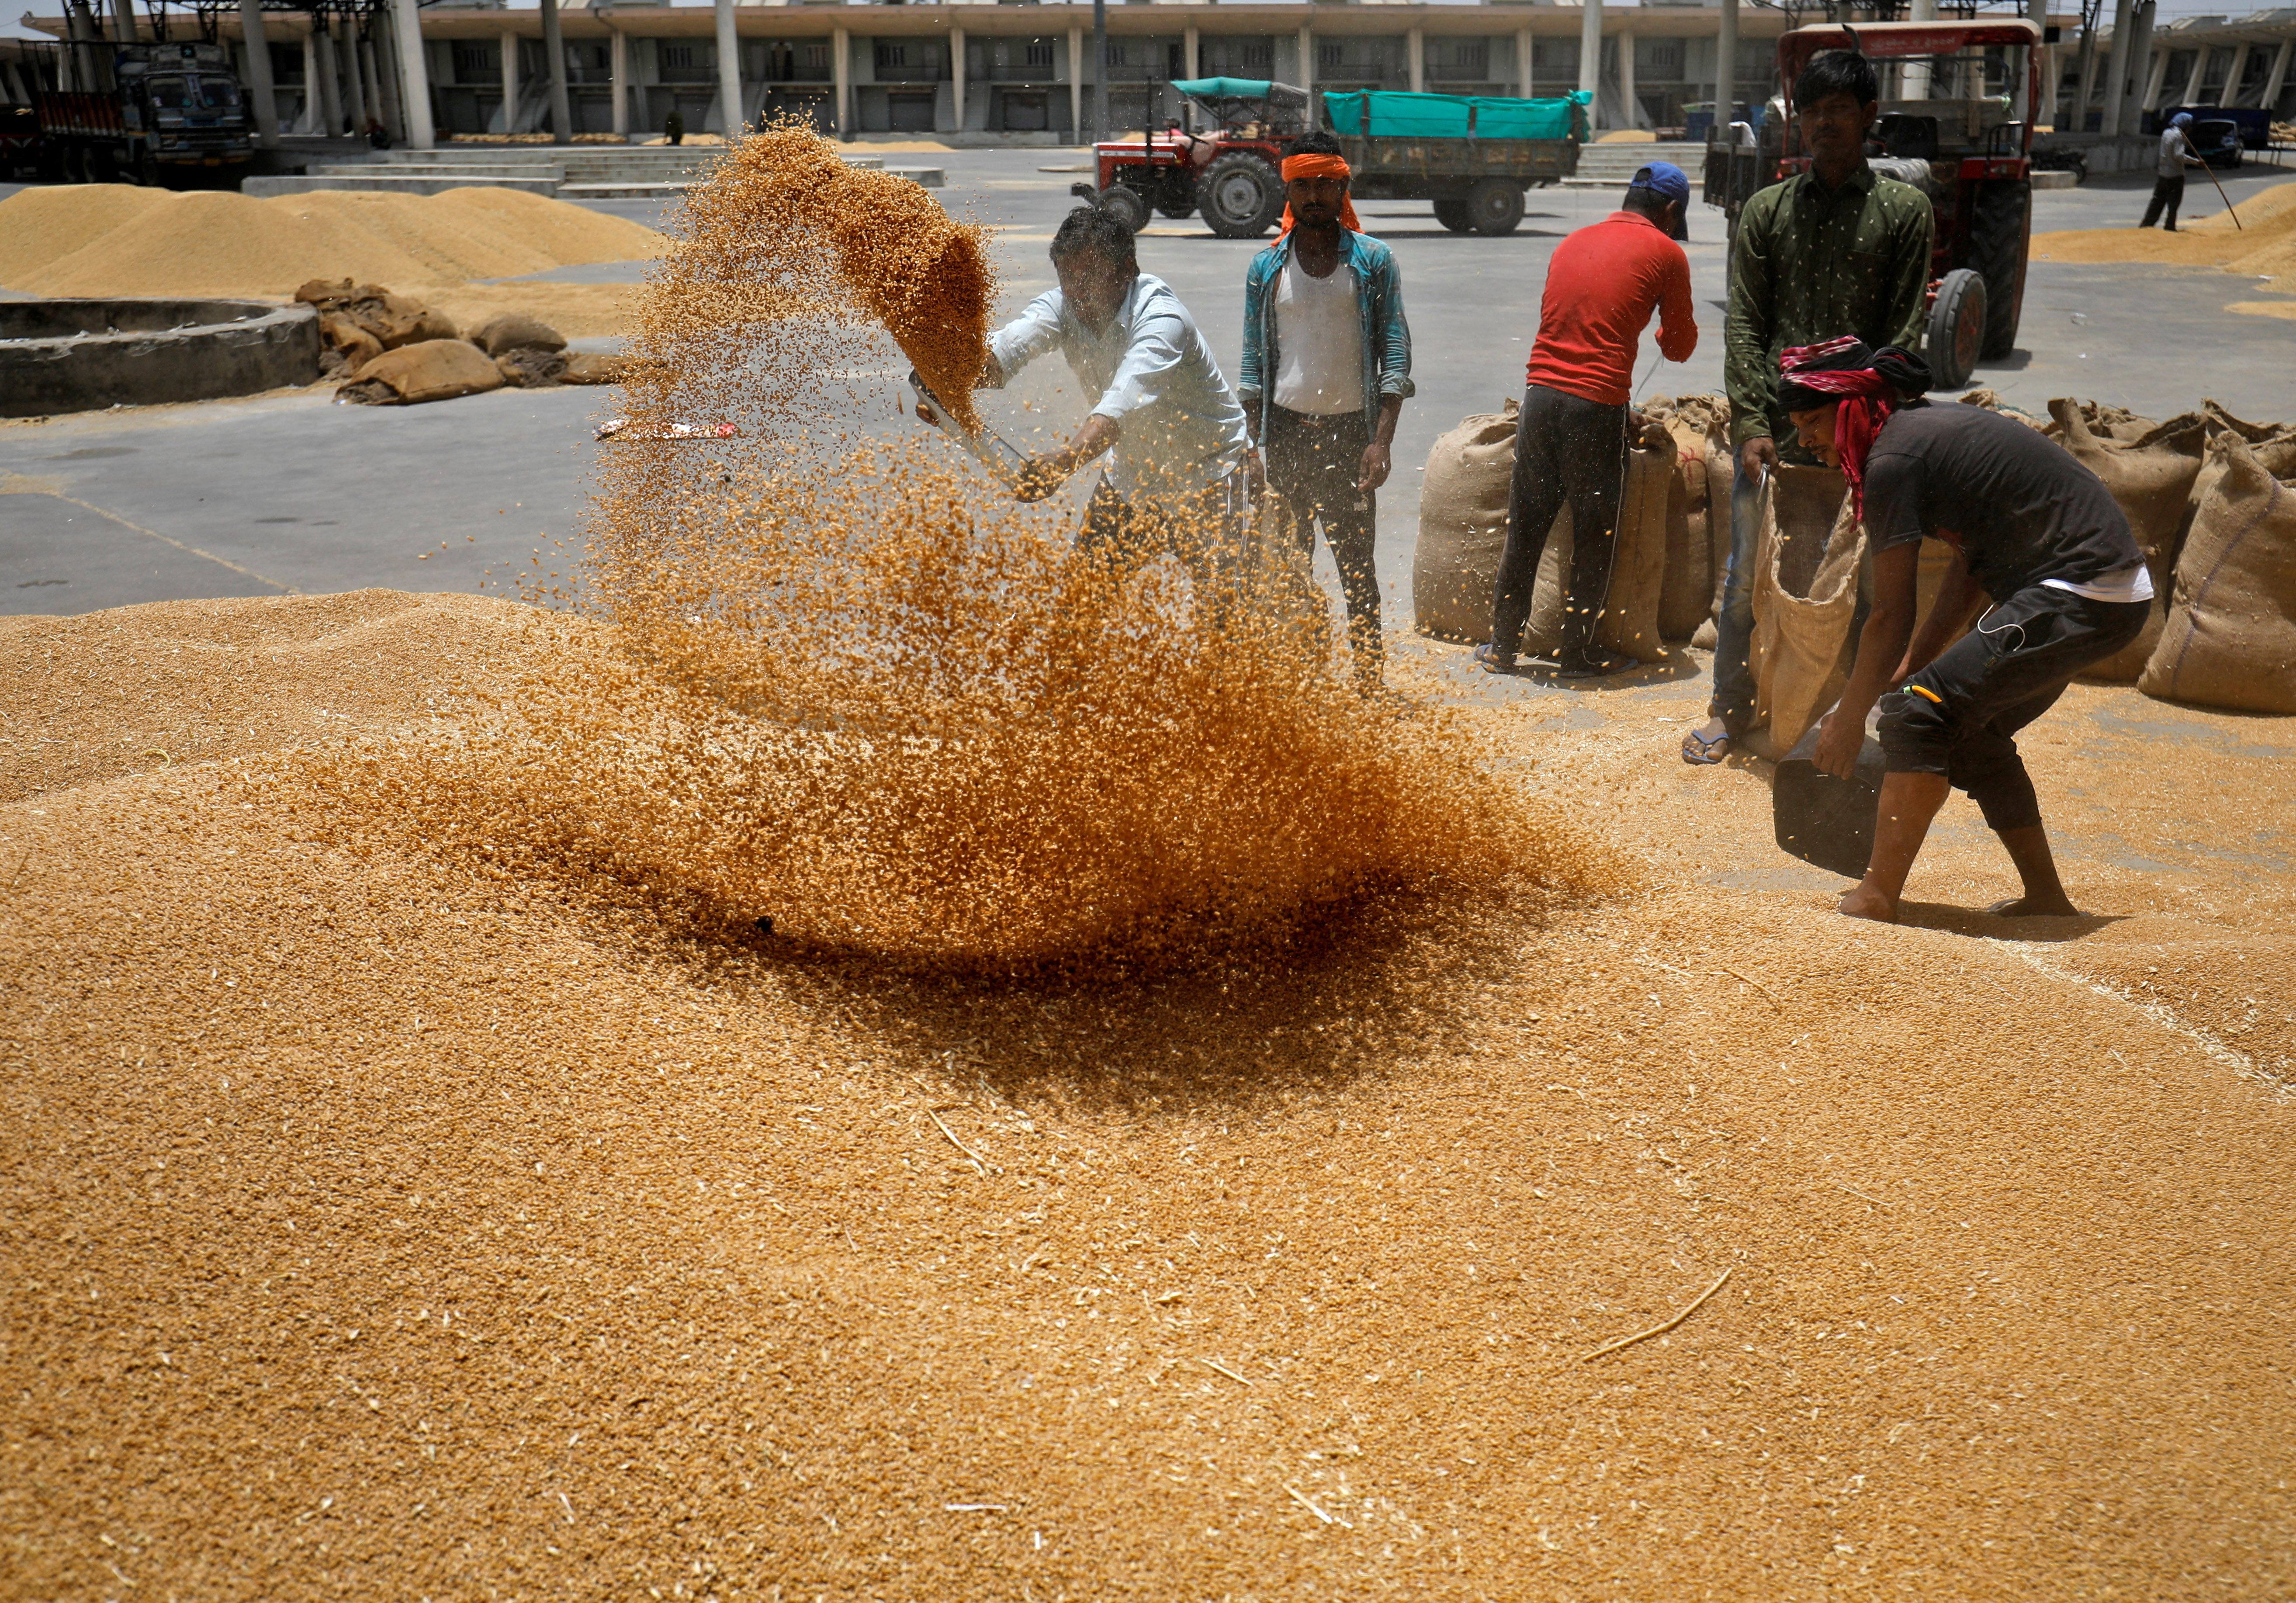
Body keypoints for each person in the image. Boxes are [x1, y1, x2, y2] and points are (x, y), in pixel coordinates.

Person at [1782, 337, 2150, 924]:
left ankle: (1876, 894)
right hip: (2094, 594)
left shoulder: (1893, 460)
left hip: (2079, 589)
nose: (1802, 439)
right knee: (1967, 733)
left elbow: (1888, 613)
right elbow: (1968, 569)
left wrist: (1850, 719)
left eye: (1811, 421)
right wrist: (1913, 666)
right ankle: (2046, 901)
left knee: (1916, 713)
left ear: (1852, 408)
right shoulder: (1916, 438)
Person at [1683, 49, 1935, 762]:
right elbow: (1746, 325)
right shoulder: (1767, 211)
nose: (1824, 124)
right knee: (1742, 582)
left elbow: (1903, 334)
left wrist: (1860, 427)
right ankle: (1730, 707)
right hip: (1774, 439)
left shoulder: (1902, 211)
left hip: (1865, 442)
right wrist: (1755, 424)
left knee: (1856, 588)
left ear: (1869, 118)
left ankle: (1843, 719)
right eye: (1812, 111)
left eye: (1840, 111)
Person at [943, 205, 1251, 600]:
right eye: (1067, 277)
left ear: (1126, 268)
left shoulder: (1162, 319)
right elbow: (1004, 352)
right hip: (1133, 477)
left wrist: (1067, 459)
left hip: (1211, 474)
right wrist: (948, 378)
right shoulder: (1060, 307)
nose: (1077, 291)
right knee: (1078, 606)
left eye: (1090, 276)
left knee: (1227, 613)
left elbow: (1119, 405)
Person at [1475, 161, 1697, 677]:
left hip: (1539, 397)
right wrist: (1661, 332)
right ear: (1669, 211)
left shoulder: (1571, 241)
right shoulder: (1666, 253)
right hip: (1594, 408)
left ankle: (1501, 647)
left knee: (1526, 526)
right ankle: (1577, 655)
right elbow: (1680, 345)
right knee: (1594, 533)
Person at [1236, 128, 1414, 685]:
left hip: (1348, 439)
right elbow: (1251, 364)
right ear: (1286, 191)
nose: (1313, 197)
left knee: (1356, 569)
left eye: (1324, 186)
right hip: (1285, 435)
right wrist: (1251, 444)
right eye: (1302, 186)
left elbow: (1394, 352)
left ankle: (1367, 681)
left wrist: (1380, 440)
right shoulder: (1264, 269)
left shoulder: (1373, 262)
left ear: (1343, 189)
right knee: (1287, 569)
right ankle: (1299, 678)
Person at [2140, 111, 2202, 232]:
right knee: (2174, 204)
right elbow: (2179, 156)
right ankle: (2169, 227)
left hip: (2163, 174)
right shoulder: (2179, 136)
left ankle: (2147, 225)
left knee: (2158, 201)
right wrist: (2197, 162)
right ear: (2186, 126)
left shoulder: (2166, 133)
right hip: (2175, 175)